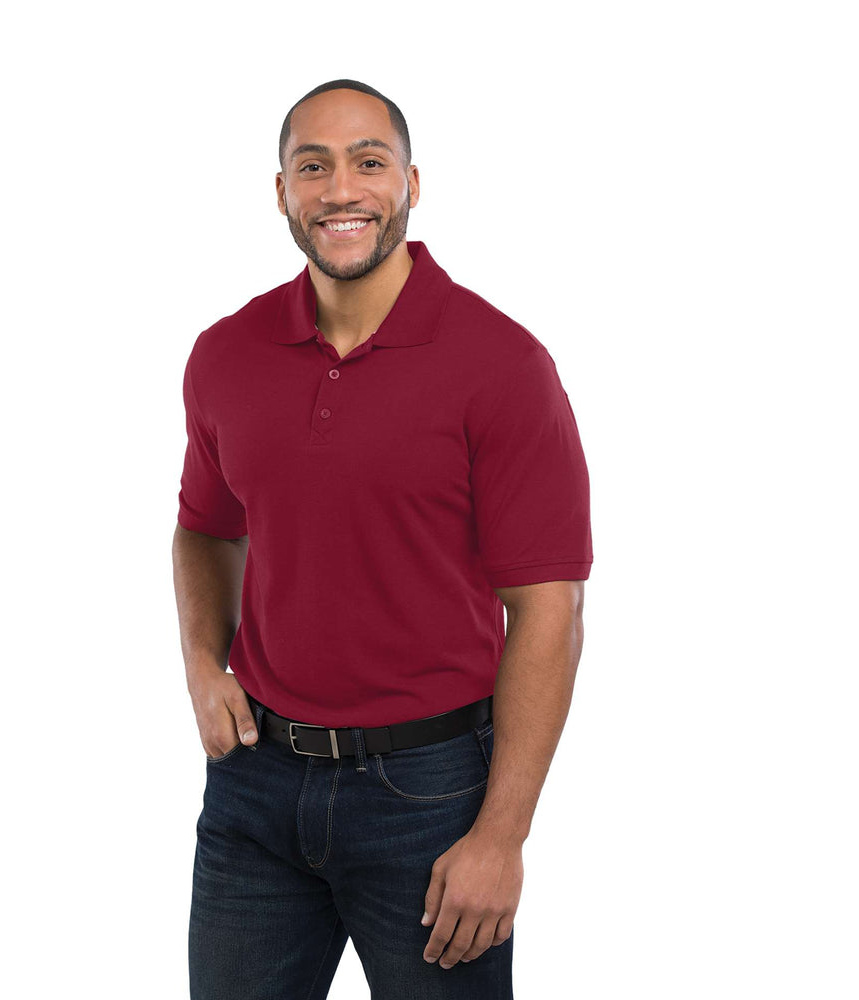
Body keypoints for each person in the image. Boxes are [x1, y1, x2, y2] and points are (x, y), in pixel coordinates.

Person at [172, 78, 593, 1000]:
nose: (341, 191)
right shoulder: (225, 353)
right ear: (280, 191)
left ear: (412, 183)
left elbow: (549, 611)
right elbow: (205, 529)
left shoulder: (503, 365)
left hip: (430, 797)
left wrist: (502, 836)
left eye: (369, 162)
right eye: (312, 166)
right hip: (253, 786)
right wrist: (204, 666)